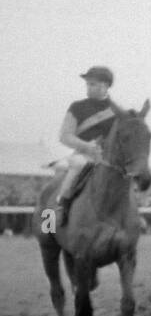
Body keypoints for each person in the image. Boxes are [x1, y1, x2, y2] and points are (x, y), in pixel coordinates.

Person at [56, 66, 118, 225]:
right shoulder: (77, 107)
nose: (88, 88)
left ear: (104, 86)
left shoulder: (116, 111)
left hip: (106, 159)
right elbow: (64, 136)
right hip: (81, 156)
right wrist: (87, 146)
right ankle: (57, 211)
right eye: (88, 84)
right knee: (79, 165)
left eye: (92, 84)